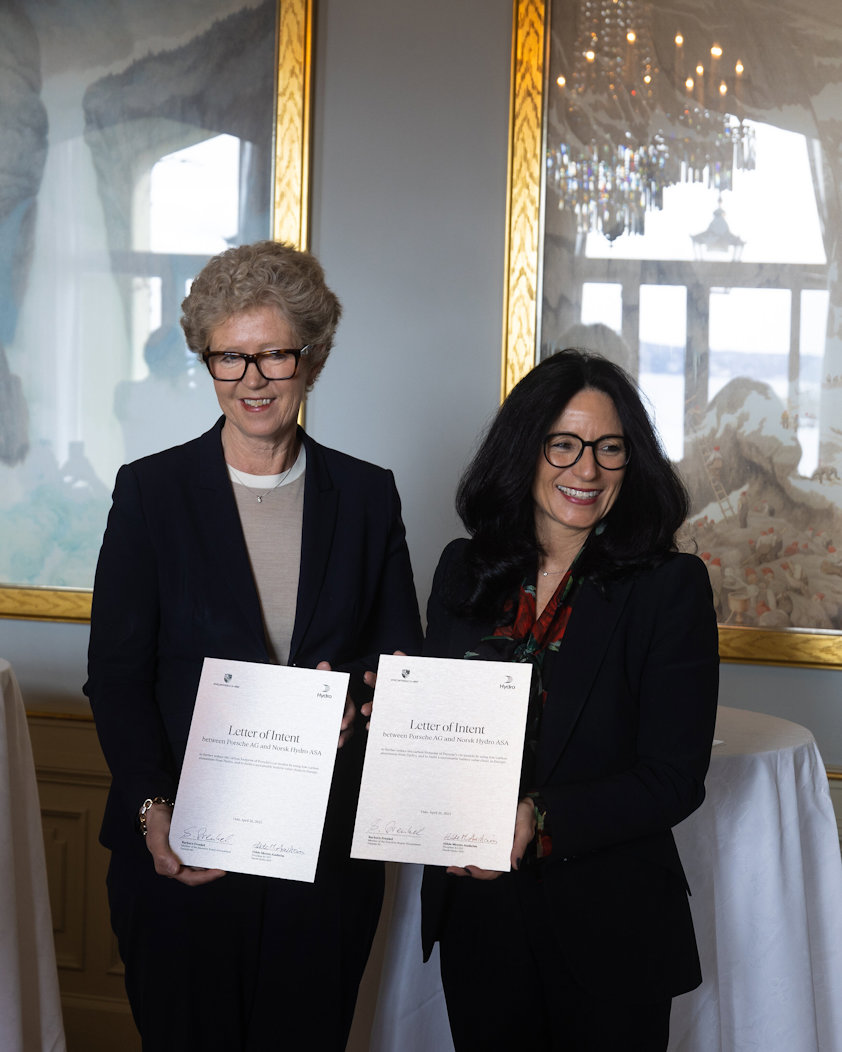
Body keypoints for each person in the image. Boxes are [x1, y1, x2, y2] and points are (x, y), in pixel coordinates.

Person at [84, 240, 422, 1050]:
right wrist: (152, 810)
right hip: (183, 847)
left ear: (311, 357)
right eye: (229, 357)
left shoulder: (367, 495)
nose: (252, 379)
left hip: (322, 862)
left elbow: (398, 660)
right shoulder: (150, 493)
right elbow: (116, 676)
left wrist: (358, 701)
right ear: (206, 360)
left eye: (273, 354)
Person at [420, 349, 719, 1051]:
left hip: (612, 926)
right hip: (480, 915)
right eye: (564, 444)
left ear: (631, 460)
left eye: (609, 449)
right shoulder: (464, 570)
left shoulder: (669, 587)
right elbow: (439, 728)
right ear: (525, 450)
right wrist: (391, 711)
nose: (586, 470)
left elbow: (674, 777)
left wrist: (538, 817)